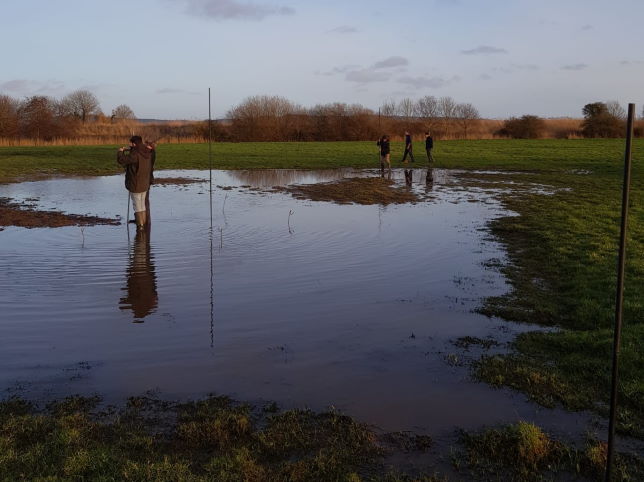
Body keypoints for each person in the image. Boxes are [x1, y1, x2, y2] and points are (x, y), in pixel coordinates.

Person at [117, 135, 154, 230]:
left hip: (136, 184)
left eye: (131, 143)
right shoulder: (147, 152)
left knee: (137, 205)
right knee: (142, 205)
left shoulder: (135, 154)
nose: (130, 145)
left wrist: (120, 151)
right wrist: (131, 149)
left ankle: (140, 227)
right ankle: (143, 225)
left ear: (134, 143)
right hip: (145, 184)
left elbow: (122, 160)